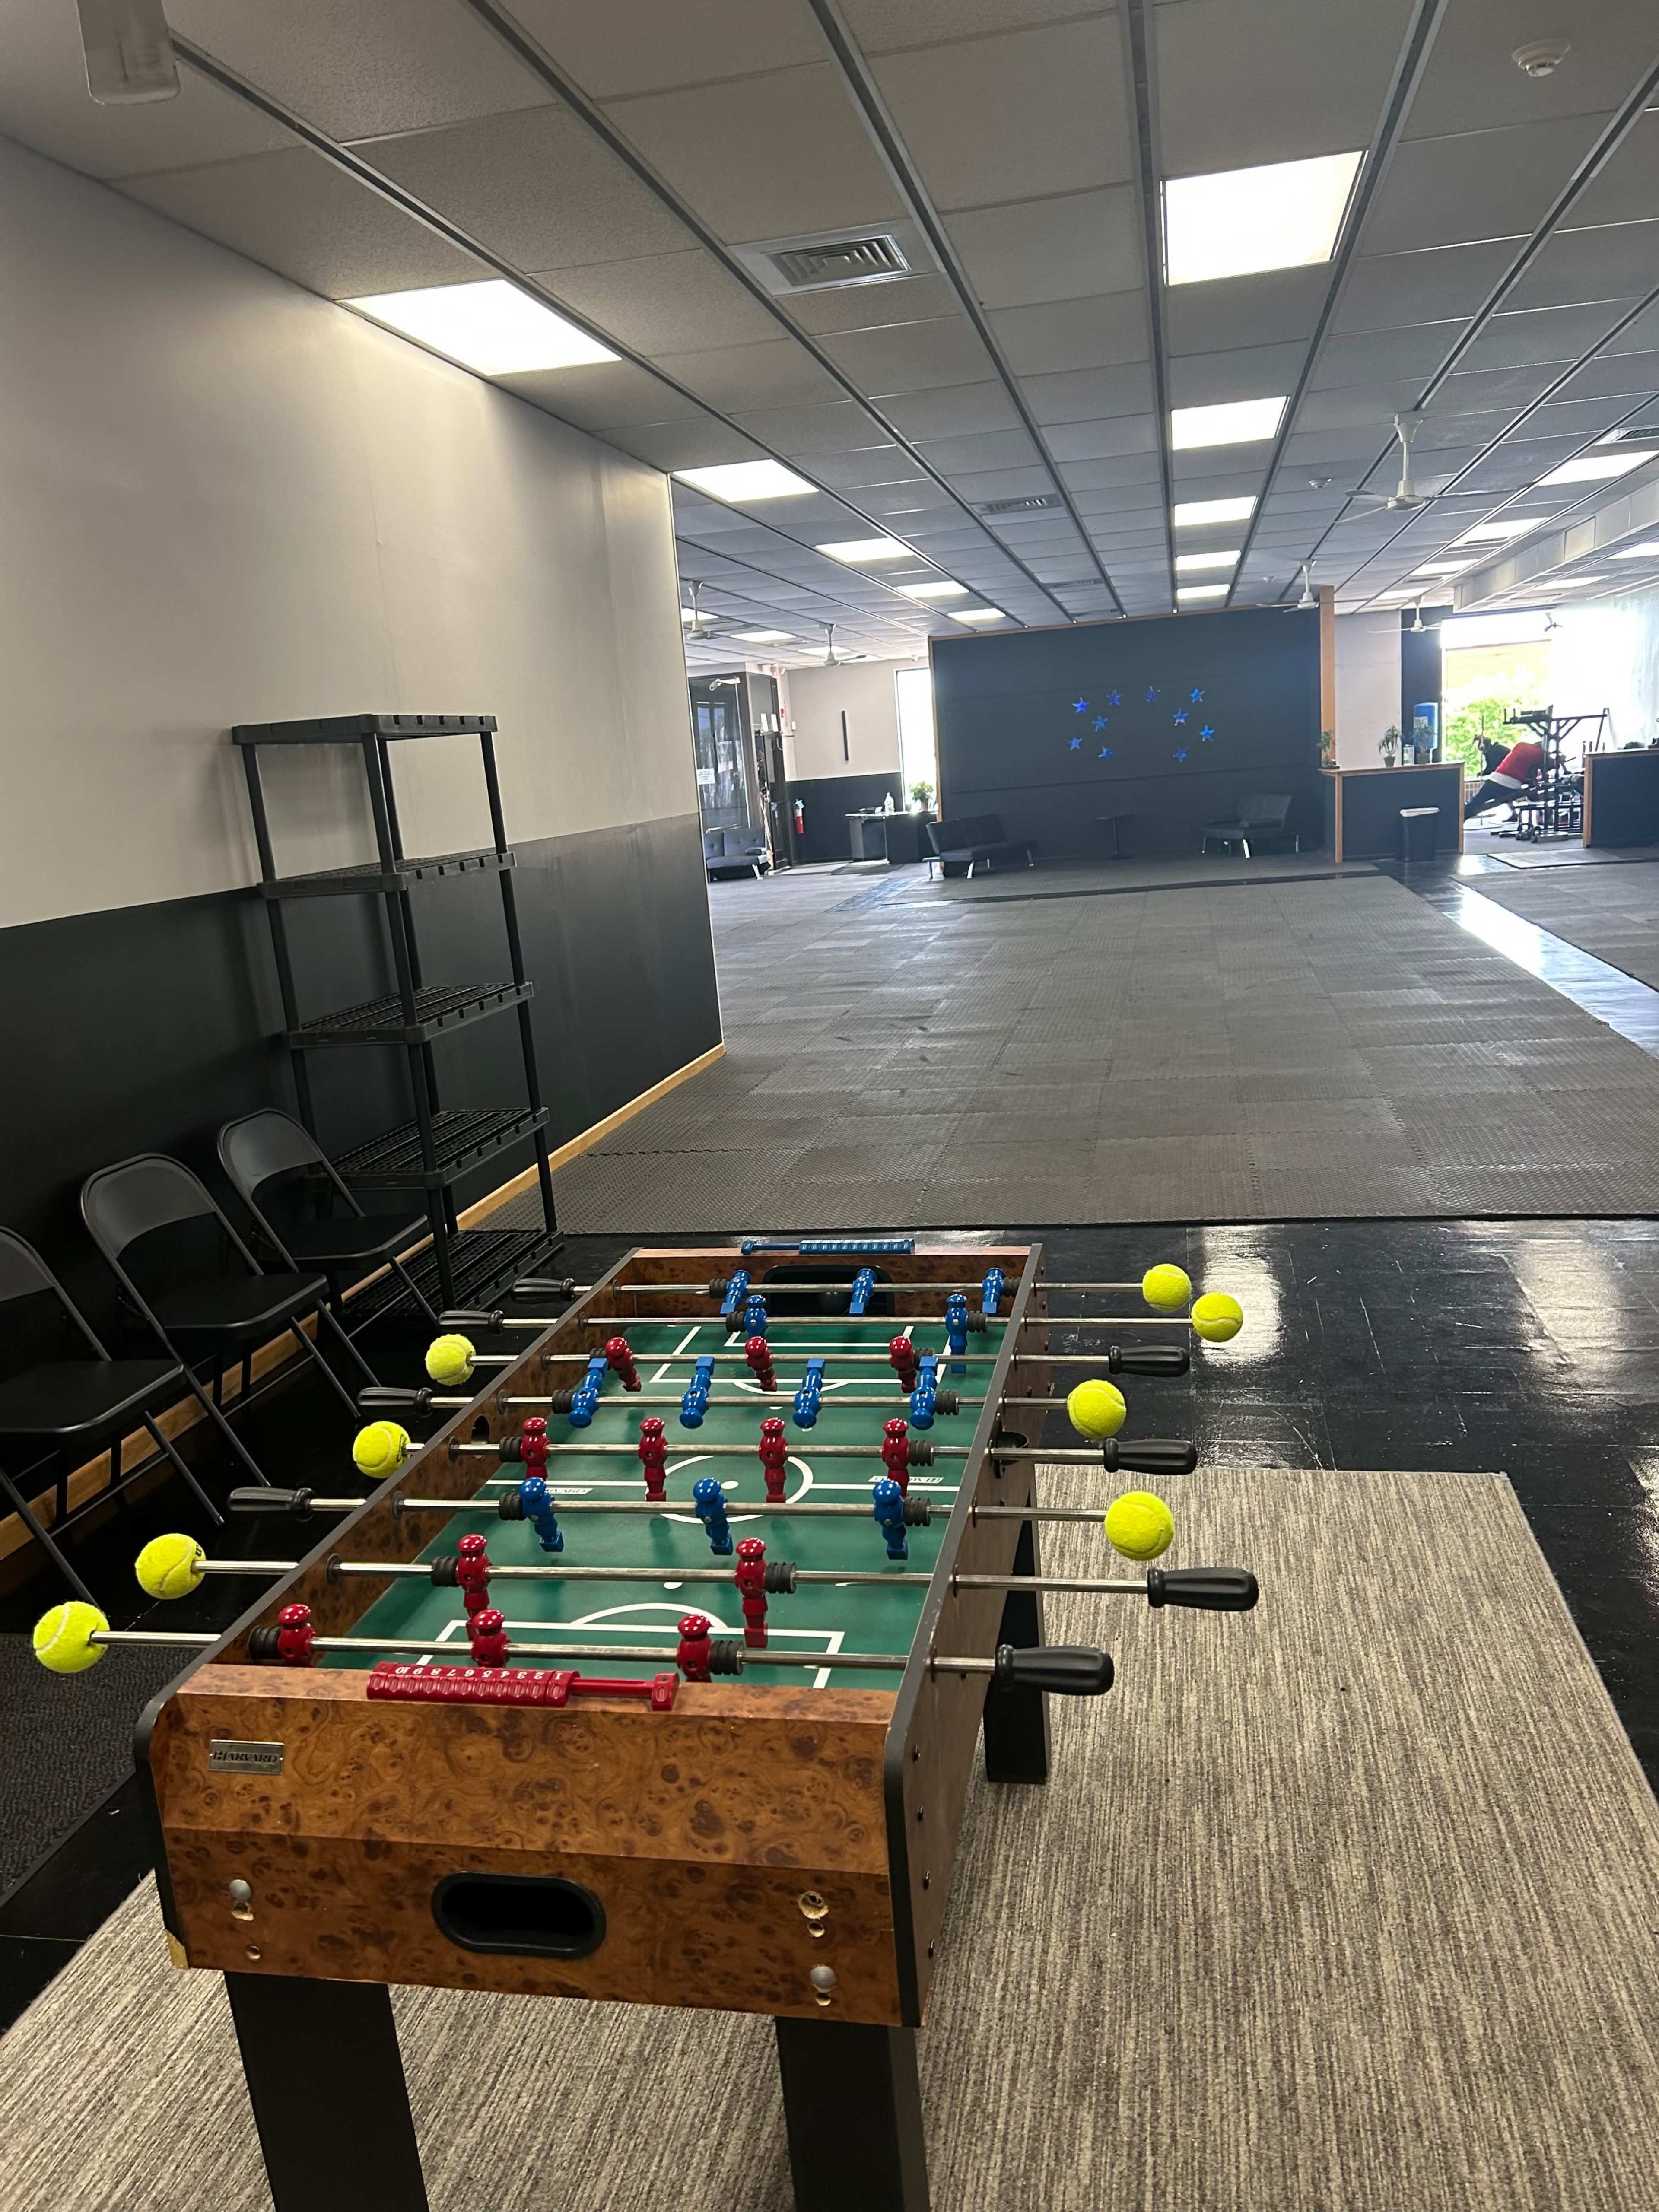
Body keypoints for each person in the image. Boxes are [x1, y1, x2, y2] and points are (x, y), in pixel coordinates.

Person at [1464, 734, 1545, 819]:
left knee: (1475, 802)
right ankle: (1462, 817)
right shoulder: (1540, 754)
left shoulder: (1521, 746)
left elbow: (1493, 766)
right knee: (1478, 802)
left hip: (1500, 780)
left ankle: (1458, 821)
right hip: (1511, 783)